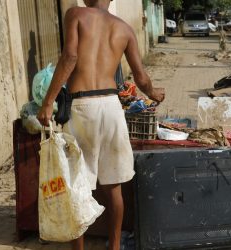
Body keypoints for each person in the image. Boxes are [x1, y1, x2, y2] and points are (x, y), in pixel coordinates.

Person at [37, 0, 165, 249]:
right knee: (113, 186)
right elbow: (141, 77)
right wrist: (154, 92)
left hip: (82, 107)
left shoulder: (75, 14)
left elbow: (70, 56)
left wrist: (48, 101)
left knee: (78, 183)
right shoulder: (124, 28)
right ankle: (115, 246)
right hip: (111, 106)